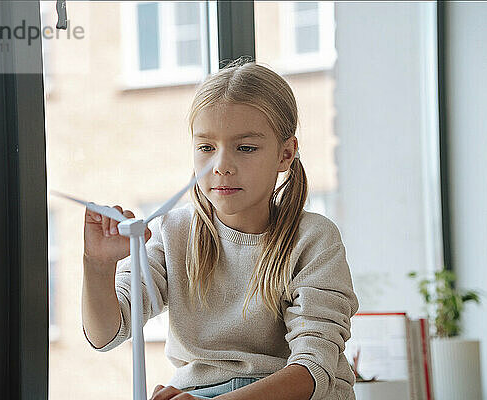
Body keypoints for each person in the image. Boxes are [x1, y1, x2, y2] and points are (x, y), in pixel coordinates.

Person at [81, 56, 359, 400]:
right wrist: (98, 265)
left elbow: (312, 372)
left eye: (245, 148)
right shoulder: (174, 230)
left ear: (285, 154)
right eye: (206, 148)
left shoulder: (314, 240)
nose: (222, 166)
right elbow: (105, 335)